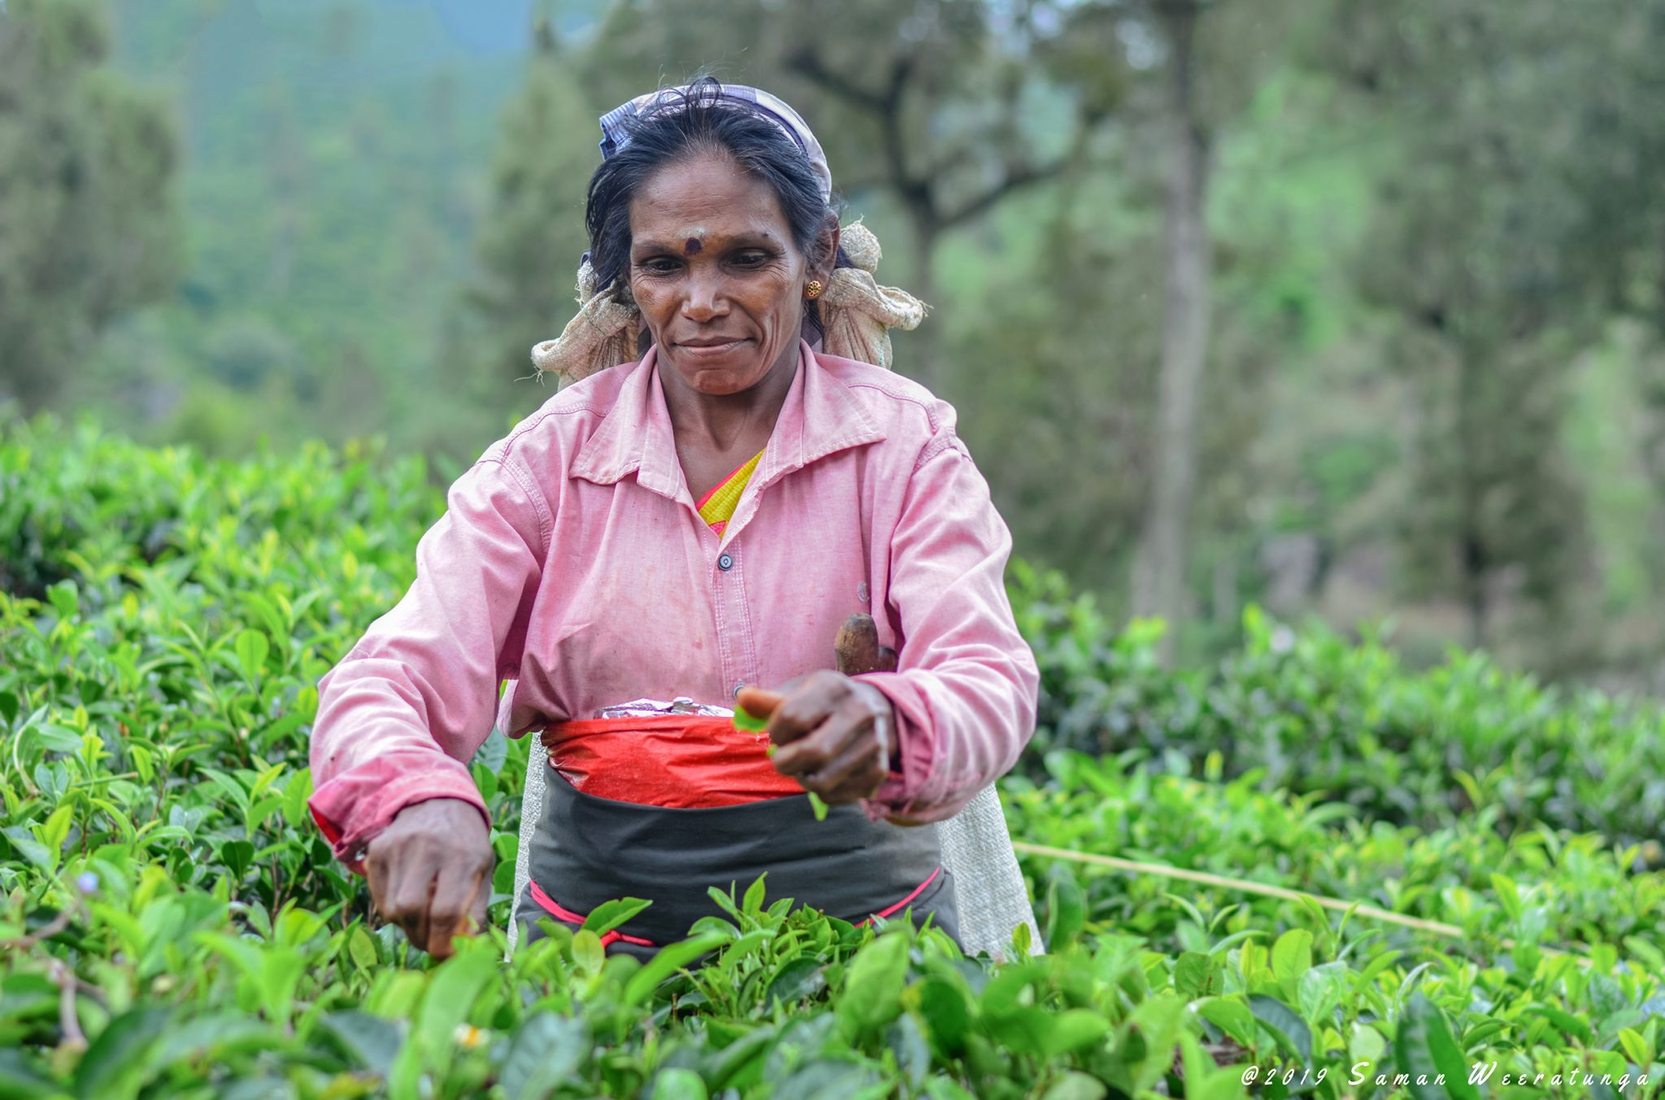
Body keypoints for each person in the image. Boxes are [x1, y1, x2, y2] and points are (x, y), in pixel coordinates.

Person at [307, 79, 1040, 961]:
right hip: (591, 961)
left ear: (816, 259)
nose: (700, 301)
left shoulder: (900, 447)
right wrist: (412, 794)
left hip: (861, 959)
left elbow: (987, 675)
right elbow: (389, 677)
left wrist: (891, 721)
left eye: (745, 258)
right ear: (627, 280)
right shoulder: (553, 465)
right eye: (664, 265)